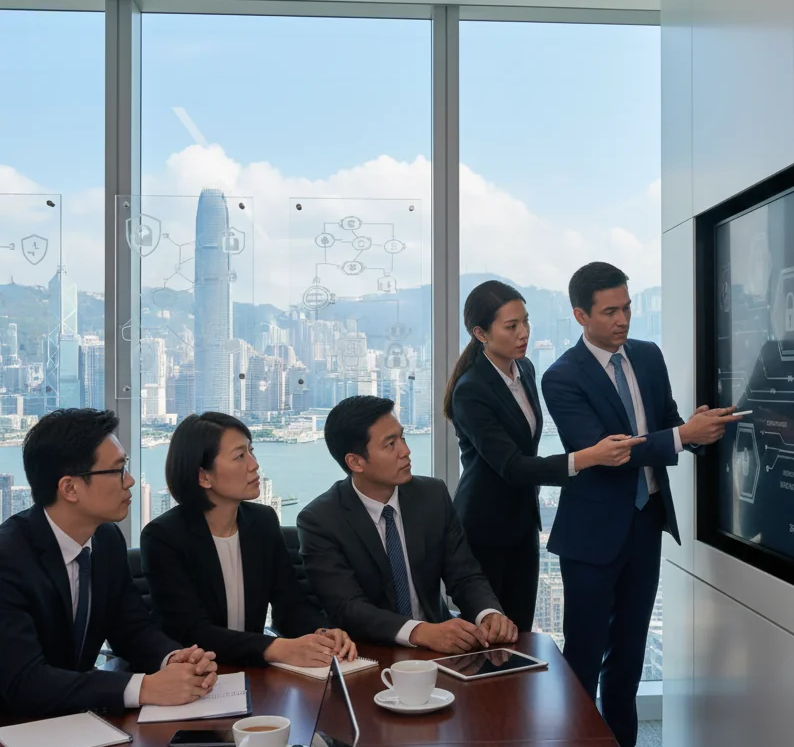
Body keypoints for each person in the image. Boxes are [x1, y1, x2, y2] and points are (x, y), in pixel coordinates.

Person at [542, 262, 739, 747]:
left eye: (627, 307)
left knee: (628, 654)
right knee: (584, 656)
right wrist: (681, 435)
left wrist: (697, 430)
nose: (623, 319)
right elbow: (608, 452)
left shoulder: (648, 357)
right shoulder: (562, 376)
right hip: (591, 536)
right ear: (580, 315)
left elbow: (668, 424)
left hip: (645, 522)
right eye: (610, 311)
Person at [443, 279, 643, 630]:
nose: (524, 333)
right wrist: (589, 457)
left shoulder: (525, 370)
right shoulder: (471, 390)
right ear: (481, 333)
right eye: (511, 326)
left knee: (520, 630)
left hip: (523, 523)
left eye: (526, 321)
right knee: (488, 636)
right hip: (484, 529)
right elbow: (512, 466)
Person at [0, 409, 218, 717]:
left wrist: (171, 659)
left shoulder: (106, 539)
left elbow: (131, 628)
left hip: (77, 722)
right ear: (70, 488)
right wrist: (144, 688)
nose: (129, 480)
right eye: (117, 470)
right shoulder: (9, 558)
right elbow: (25, 681)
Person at [298, 396, 519, 652]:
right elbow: (348, 608)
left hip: (439, 647)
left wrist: (488, 614)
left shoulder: (432, 495)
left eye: (402, 438)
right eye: (390, 444)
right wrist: (419, 631)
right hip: (369, 652)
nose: (405, 451)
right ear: (356, 462)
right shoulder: (320, 520)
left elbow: (464, 575)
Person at [141, 412, 357, 669]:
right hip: (191, 674)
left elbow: (290, 605)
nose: (254, 465)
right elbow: (192, 631)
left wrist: (322, 632)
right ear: (203, 477)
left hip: (252, 670)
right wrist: (274, 647)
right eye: (239, 456)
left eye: (251, 451)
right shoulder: (164, 537)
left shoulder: (262, 522)